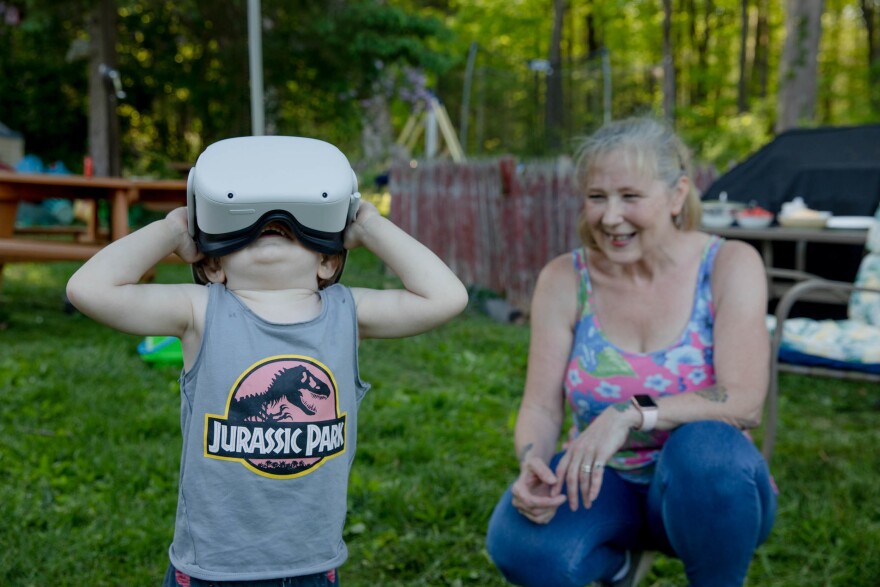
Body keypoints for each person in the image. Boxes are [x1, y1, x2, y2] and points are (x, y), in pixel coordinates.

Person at [66, 137, 468, 586]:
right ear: (214, 266)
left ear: (326, 261)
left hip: (312, 564)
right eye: (251, 222)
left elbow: (447, 297)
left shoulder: (347, 311)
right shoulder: (201, 310)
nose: (271, 224)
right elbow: (89, 289)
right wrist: (173, 230)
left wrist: (371, 227)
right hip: (213, 568)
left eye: (293, 223)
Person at [485, 117, 776, 587]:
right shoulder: (565, 278)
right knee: (520, 547)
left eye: (630, 197)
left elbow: (743, 400)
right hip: (603, 480)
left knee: (708, 450)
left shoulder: (728, 264)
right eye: (597, 197)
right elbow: (540, 403)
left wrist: (629, 412)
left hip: (709, 492)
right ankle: (618, 569)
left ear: (678, 194)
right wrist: (531, 461)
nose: (610, 217)